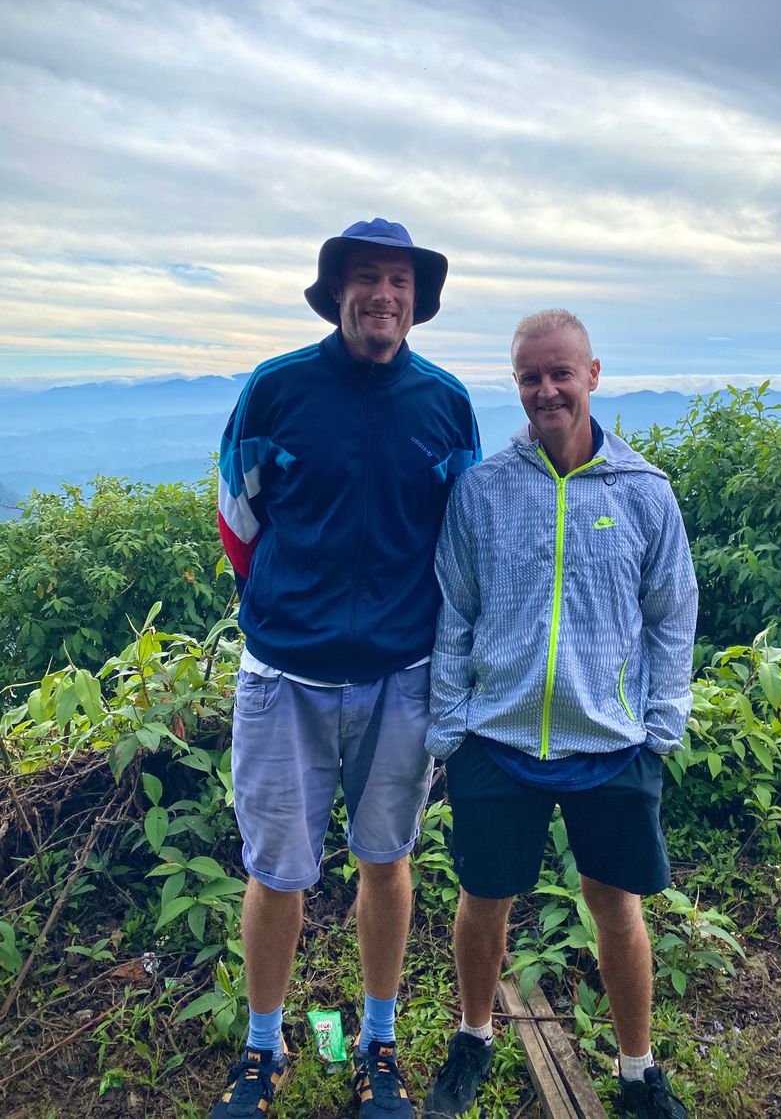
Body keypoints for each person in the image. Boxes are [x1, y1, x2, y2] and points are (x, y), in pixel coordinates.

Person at [213, 218, 480, 1119]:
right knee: (276, 870)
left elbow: (460, 540)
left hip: (402, 673)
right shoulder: (277, 388)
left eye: (399, 281)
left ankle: (378, 1042)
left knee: (386, 858)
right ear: (338, 291)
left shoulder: (444, 403)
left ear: (417, 298)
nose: (383, 295)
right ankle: (263, 1049)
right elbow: (238, 520)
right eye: (367, 276)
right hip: (285, 674)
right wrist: (290, 609)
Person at [422, 309, 697, 1119]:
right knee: (483, 900)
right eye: (530, 376)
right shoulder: (483, 490)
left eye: (560, 373)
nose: (546, 389)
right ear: (516, 383)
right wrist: (449, 728)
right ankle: (474, 1036)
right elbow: (454, 610)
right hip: (496, 736)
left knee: (617, 906)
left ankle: (638, 1070)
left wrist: (661, 726)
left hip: (611, 743)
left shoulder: (644, 492)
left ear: (593, 374)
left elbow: (672, 614)